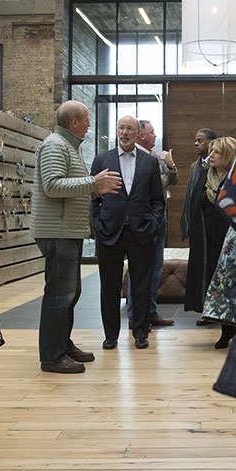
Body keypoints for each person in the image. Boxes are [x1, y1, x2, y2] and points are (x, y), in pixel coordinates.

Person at [31, 100, 121, 374]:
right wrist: (94, 183)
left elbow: (68, 185)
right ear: (74, 122)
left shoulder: (67, 147)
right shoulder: (56, 146)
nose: (90, 124)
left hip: (66, 231)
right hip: (57, 232)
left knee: (70, 292)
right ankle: (52, 355)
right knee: (60, 294)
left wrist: (95, 189)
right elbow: (53, 186)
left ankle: (62, 344)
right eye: (86, 120)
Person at [91, 115, 165, 350]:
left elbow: (157, 200)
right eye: (121, 128)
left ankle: (141, 333)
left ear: (137, 133)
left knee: (141, 285)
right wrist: (97, 224)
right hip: (109, 232)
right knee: (109, 286)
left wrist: (152, 223)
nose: (125, 132)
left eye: (129, 128)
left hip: (141, 232)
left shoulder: (149, 162)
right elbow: (93, 197)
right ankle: (111, 335)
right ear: (117, 131)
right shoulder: (102, 160)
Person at [126, 119, 177, 328]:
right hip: (142, 220)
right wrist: (163, 175)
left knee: (156, 267)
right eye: (152, 132)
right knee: (139, 268)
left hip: (159, 217)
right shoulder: (132, 158)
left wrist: (171, 165)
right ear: (141, 135)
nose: (156, 136)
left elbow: (170, 180)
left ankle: (151, 312)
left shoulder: (156, 157)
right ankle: (135, 316)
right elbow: (150, 184)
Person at [184, 136, 236, 323]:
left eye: (216, 152)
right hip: (205, 235)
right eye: (211, 151)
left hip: (229, 236)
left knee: (228, 275)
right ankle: (209, 311)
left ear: (228, 154)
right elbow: (194, 203)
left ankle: (229, 318)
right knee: (206, 272)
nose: (211, 155)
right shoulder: (203, 175)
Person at [180, 128, 217, 241]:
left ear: (211, 143)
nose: (196, 144)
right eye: (195, 141)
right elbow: (189, 195)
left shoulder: (217, 165)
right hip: (195, 220)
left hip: (212, 220)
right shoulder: (194, 167)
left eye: (200, 141)